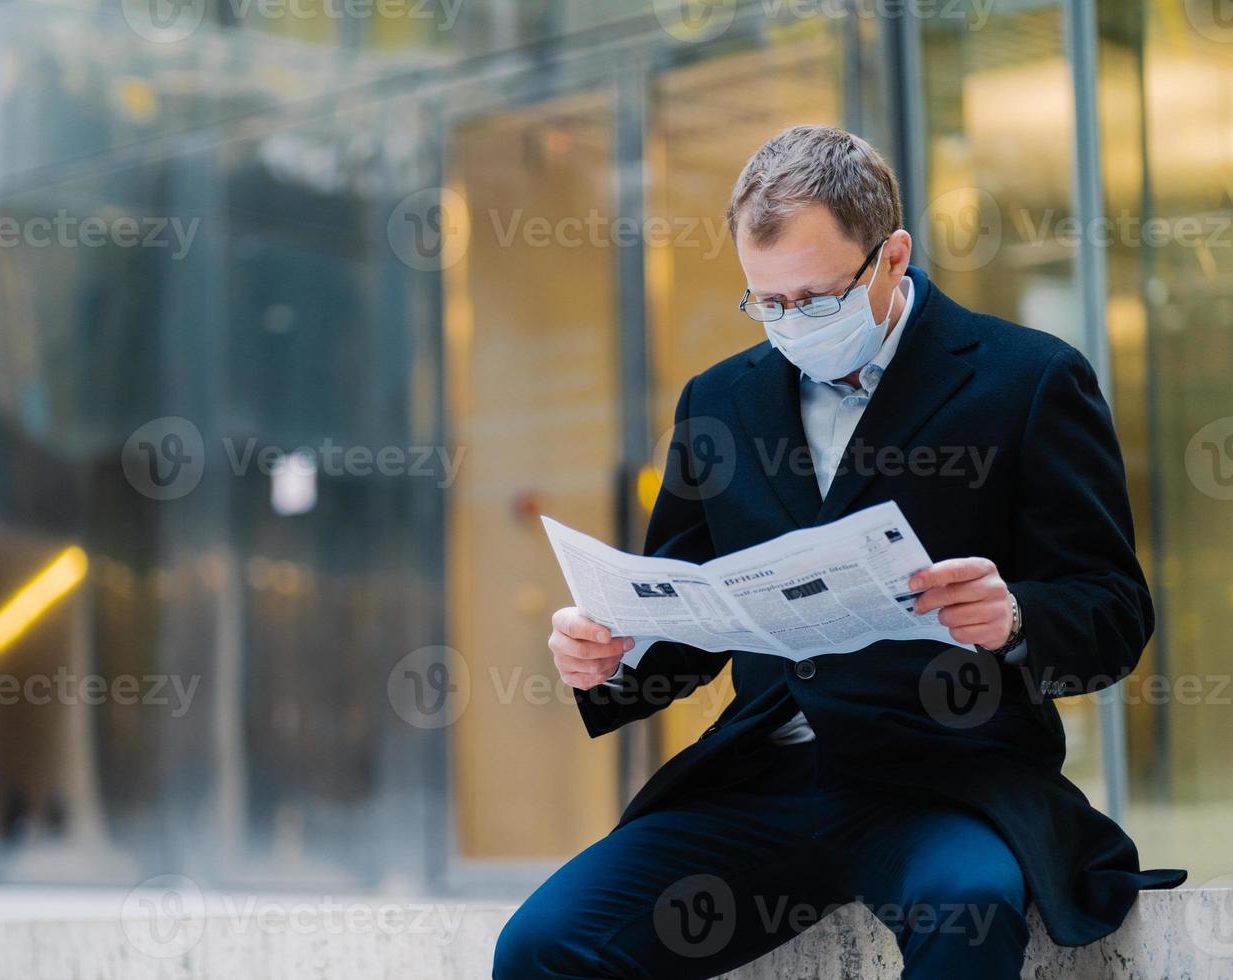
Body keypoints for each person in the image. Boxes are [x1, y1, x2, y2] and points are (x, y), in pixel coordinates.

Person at [493, 124, 1185, 980]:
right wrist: (611, 652)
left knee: (968, 909)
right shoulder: (719, 401)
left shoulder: (1029, 379)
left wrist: (1013, 616)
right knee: (541, 946)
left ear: (892, 256)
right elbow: (685, 618)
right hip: (764, 779)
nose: (791, 323)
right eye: (766, 302)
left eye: (815, 299)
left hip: (944, 778)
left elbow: (1113, 610)